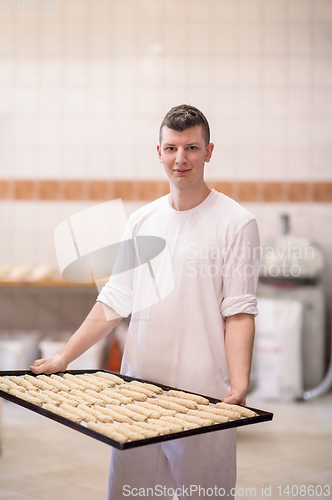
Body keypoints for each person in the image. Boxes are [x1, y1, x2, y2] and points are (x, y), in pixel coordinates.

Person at [31, 104, 260, 500]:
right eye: (171, 148)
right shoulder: (142, 222)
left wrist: (239, 385)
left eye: (191, 148)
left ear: (208, 151)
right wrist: (64, 357)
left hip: (202, 395)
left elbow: (238, 312)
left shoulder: (236, 223)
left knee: (204, 495)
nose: (180, 159)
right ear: (159, 152)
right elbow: (114, 301)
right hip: (138, 390)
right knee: (131, 493)